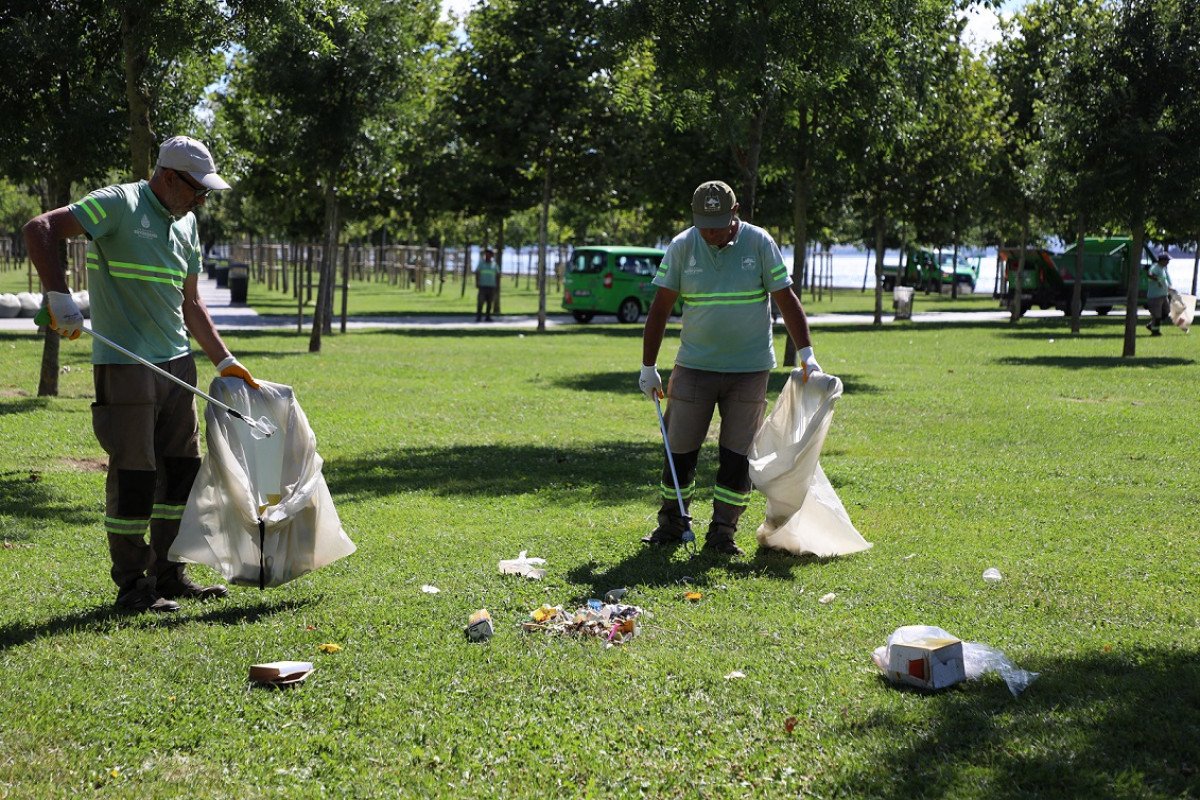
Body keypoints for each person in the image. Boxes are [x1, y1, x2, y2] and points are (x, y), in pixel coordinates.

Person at [23, 135, 260, 613]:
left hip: (176, 366)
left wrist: (223, 360)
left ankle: (170, 575)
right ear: (169, 177)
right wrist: (58, 295)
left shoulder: (187, 223)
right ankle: (133, 584)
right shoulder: (118, 203)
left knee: (181, 473)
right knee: (134, 475)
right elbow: (40, 227)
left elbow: (192, 304)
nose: (202, 200)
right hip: (126, 365)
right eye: (197, 189)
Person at [638, 180, 822, 556]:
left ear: (735, 213)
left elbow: (786, 299)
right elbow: (660, 309)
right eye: (703, 223)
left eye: (718, 223)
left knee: (737, 457)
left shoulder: (759, 243)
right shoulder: (682, 246)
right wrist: (648, 366)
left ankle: (723, 532)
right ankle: (672, 524)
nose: (710, 232)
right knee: (679, 451)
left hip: (749, 371)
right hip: (694, 366)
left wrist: (807, 354)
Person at [1146, 251, 1172, 336]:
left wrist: (1169, 287)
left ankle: (1151, 325)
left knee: (1166, 312)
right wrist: (1157, 280)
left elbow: (1166, 279)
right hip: (1155, 296)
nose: (1168, 262)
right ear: (1162, 260)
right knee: (1157, 316)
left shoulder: (1163, 268)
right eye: (1167, 260)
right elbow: (1149, 274)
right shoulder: (1155, 267)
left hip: (1164, 295)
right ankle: (1155, 332)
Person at [475, 247, 499, 322]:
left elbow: (497, 275)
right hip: (482, 286)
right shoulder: (481, 264)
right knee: (480, 302)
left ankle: (488, 317)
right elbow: (477, 273)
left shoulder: (494, 265)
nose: (487, 256)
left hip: (491, 286)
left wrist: (497, 285)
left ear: (492, 256)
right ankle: (479, 317)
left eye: (489, 255)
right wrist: (477, 282)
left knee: (489, 302)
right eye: (486, 255)